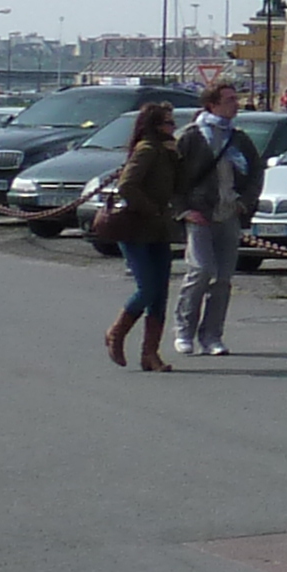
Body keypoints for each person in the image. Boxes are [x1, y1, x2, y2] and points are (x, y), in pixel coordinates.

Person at [170, 82, 262, 357]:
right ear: (212, 104)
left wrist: (245, 203)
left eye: (236, 98)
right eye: (230, 99)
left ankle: (212, 336)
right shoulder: (191, 136)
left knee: (222, 278)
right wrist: (184, 210)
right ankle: (183, 331)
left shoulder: (239, 137)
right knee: (201, 271)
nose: (236, 103)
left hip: (228, 213)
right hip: (199, 214)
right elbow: (173, 177)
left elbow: (255, 171)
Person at [105, 100, 185, 372]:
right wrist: (151, 209)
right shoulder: (148, 149)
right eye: (168, 122)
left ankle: (150, 354)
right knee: (147, 288)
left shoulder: (167, 151)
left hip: (159, 232)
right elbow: (127, 185)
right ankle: (117, 332)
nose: (173, 127)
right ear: (155, 126)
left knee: (160, 293)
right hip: (137, 230)